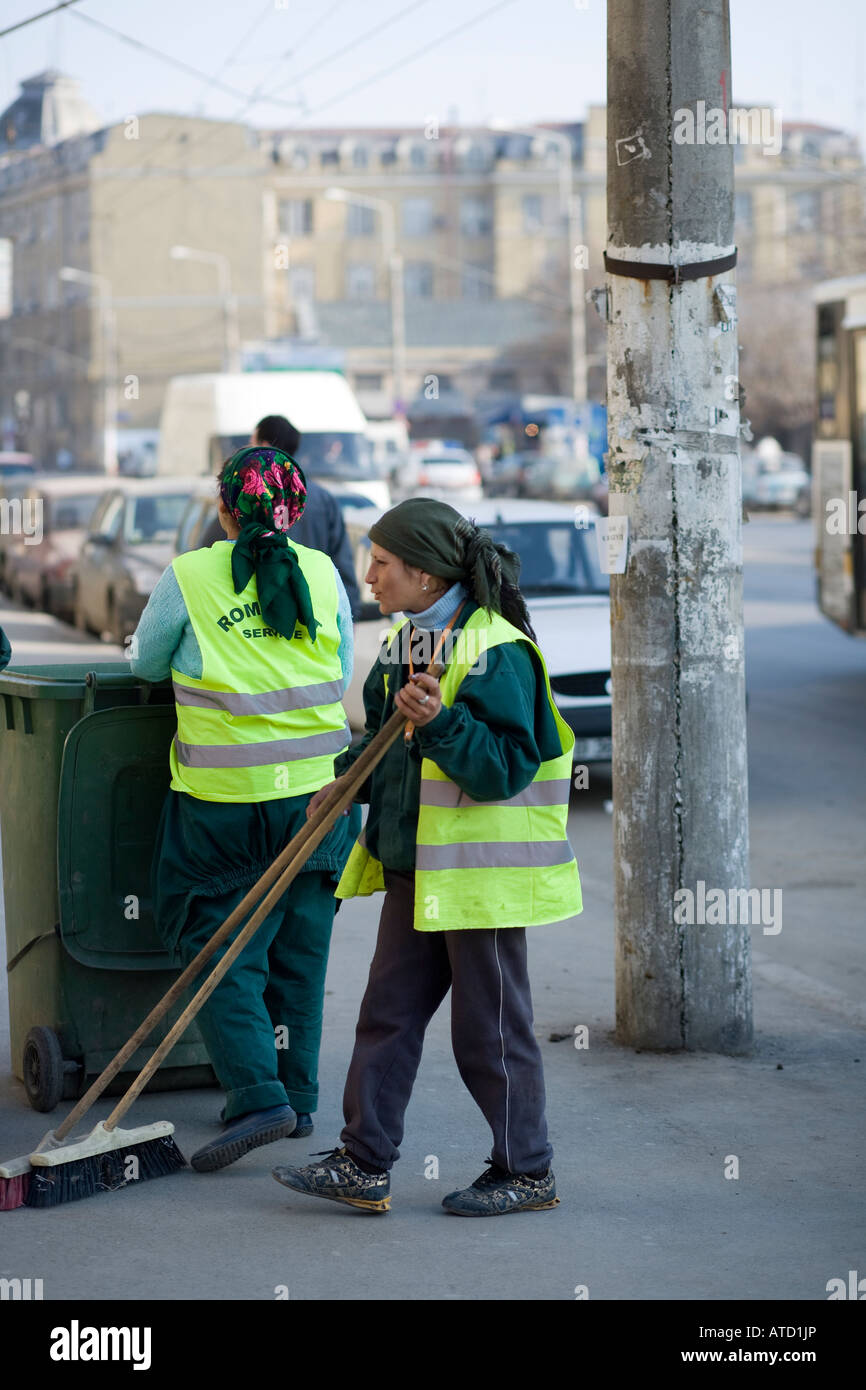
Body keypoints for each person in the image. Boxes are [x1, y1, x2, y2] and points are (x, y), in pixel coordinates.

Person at [271, 497, 582, 1217]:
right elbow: (385, 746)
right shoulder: (404, 643)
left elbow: (503, 768)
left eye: (382, 563)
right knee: (387, 1015)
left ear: (428, 573)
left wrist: (442, 724)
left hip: (481, 882)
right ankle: (363, 1161)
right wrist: (343, 785)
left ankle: (527, 1170)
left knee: (490, 1031)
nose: (369, 576)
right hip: (418, 871)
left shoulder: (497, 651)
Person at [130, 446, 360, 1173]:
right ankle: (298, 1097)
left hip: (225, 808)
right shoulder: (322, 571)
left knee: (216, 940)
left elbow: (143, 663)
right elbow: (341, 667)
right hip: (321, 800)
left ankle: (258, 1094)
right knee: (301, 949)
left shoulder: (190, 575)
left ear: (225, 509)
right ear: (293, 511)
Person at [200, 415, 361, 618]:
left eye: (251, 442)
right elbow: (343, 564)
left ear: (264, 446)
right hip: (314, 609)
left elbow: (209, 553)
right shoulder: (322, 500)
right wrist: (349, 614)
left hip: (247, 613)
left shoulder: (242, 496)